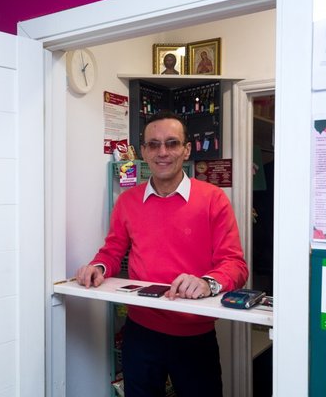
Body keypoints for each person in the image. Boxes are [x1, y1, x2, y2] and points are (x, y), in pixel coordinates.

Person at [75, 110, 248, 397]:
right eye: (153, 145)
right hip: (140, 332)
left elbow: (235, 264)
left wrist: (208, 282)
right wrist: (98, 267)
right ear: (143, 151)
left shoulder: (213, 199)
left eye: (172, 143)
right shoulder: (128, 201)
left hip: (195, 335)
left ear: (186, 150)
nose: (162, 152)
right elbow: (112, 251)